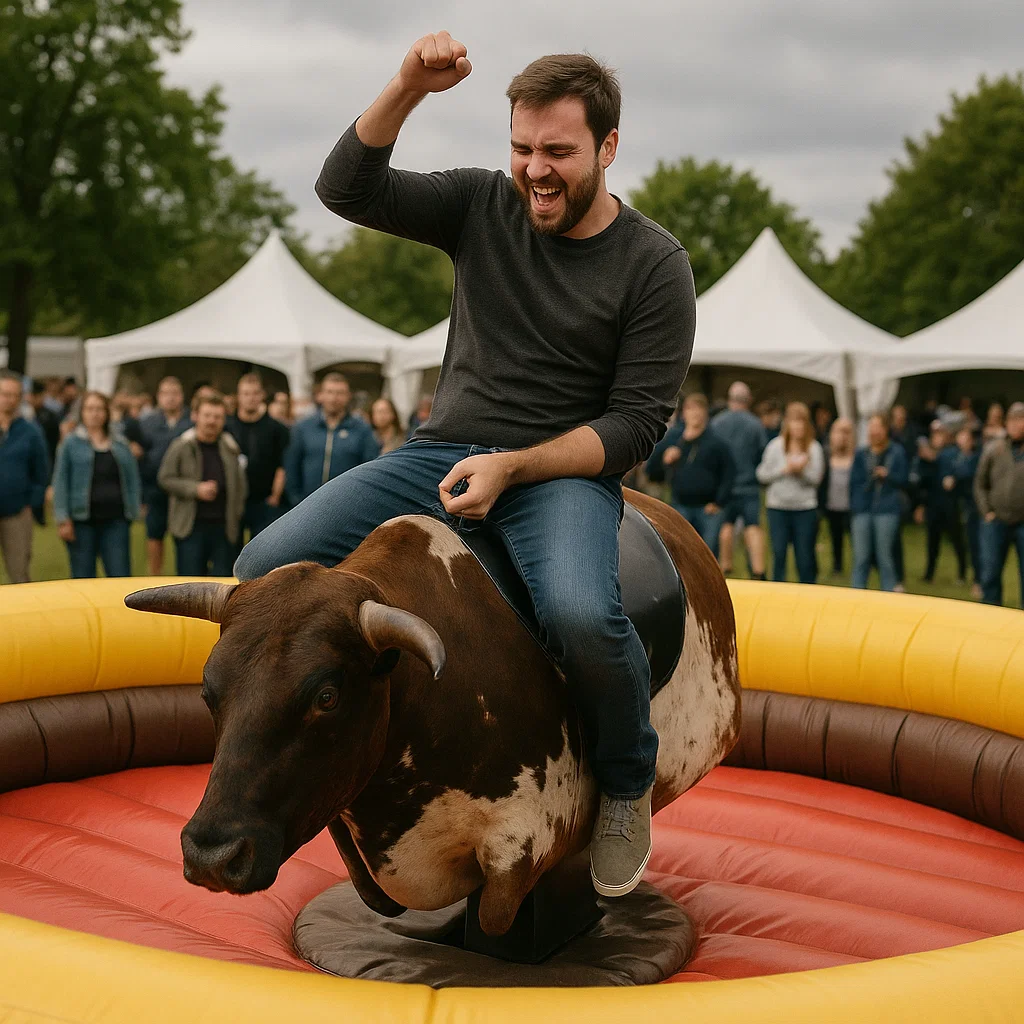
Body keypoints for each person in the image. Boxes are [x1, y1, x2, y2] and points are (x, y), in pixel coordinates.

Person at [235, 35, 697, 898]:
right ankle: (344, 762)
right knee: (262, 572)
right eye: (521, 148)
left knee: (580, 616)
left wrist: (515, 468)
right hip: (437, 452)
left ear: (608, 147)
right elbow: (346, 188)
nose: (535, 170)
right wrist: (408, 84)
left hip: (560, 474)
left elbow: (635, 427)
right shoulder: (483, 204)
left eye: (557, 151)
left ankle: (627, 782)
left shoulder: (655, 264)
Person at [51, 391, 141, 579]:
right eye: (90, 409)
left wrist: (133, 510)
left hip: (116, 521)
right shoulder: (70, 444)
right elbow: (60, 481)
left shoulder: (120, 444)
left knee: (120, 576)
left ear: (107, 413)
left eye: (99, 409)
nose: (95, 414)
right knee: (83, 578)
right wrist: (62, 518)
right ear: (82, 412)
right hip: (82, 521)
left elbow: (132, 480)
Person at [158, 393, 247, 577]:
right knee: (190, 588)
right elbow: (165, 478)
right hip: (191, 529)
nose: (212, 421)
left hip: (224, 529)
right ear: (195, 416)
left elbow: (240, 485)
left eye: (217, 417)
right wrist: (195, 489)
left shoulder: (230, 447)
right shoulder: (181, 445)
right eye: (207, 415)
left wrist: (237, 514)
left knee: (223, 588)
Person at [645, 393, 734, 559]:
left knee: (707, 556)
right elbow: (652, 470)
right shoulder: (673, 438)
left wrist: (719, 502)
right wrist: (665, 458)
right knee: (680, 554)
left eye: (699, 409)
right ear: (684, 413)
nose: (695, 414)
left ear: (706, 413)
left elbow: (729, 474)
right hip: (680, 506)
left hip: (708, 509)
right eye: (690, 409)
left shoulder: (717, 442)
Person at [283, 373, 380, 506]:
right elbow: (292, 465)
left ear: (348, 396)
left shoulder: (362, 430)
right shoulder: (303, 427)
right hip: (307, 505)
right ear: (321, 395)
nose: (334, 398)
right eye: (329, 392)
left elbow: (370, 468)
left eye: (340, 393)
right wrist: (296, 499)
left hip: (346, 506)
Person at [755, 401, 824, 584]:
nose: (798, 426)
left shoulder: (814, 448)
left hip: (804, 509)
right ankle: (778, 590)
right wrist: (784, 470)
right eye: (794, 421)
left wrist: (801, 471)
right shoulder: (775, 446)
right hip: (778, 508)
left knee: (805, 556)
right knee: (779, 553)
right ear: (787, 423)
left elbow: (816, 479)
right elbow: (762, 475)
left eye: (801, 421)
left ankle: (808, 590)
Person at [225, 373, 289, 547]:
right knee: (231, 554)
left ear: (262, 396)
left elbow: (282, 465)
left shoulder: (277, 429)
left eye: (254, 393)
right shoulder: (226, 427)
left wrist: (274, 497)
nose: (250, 398)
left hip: (264, 501)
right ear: (238, 396)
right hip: (233, 500)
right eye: (246, 394)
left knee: (261, 557)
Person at [712, 381, 768, 580]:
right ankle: (758, 571)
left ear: (729, 399)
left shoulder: (717, 422)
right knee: (752, 526)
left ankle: (725, 568)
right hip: (749, 484)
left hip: (725, 486)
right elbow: (763, 453)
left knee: (726, 526)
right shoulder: (755, 424)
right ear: (749, 400)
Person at [137, 377, 192, 575]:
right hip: (155, 491)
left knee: (184, 539)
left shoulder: (191, 421)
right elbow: (139, 460)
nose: (170, 398)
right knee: (154, 537)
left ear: (181, 396)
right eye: (165, 393)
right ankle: (155, 578)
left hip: (184, 493)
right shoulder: (147, 423)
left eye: (174, 393)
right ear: (158, 397)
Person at [0, 370, 50, 583]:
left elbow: (42, 472)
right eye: (4, 393)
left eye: (14, 394)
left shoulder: (30, 431)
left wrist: (31, 503)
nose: (9, 399)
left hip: (17, 512)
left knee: (19, 573)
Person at [850, 413, 908, 592]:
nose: (874, 431)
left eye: (878, 427)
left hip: (887, 509)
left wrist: (888, 475)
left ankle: (888, 594)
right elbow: (854, 483)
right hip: (863, 509)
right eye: (871, 427)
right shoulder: (861, 453)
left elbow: (904, 479)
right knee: (861, 556)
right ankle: (857, 595)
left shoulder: (897, 452)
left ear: (885, 429)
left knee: (885, 555)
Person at [974, 402, 1024, 608]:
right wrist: (986, 511)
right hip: (996, 520)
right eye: (1013, 420)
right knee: (990, 573)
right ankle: (990, 621)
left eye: (1021, 420)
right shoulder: (994, 448)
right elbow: (980, 482)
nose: (1017, 425)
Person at [911, 421, 966, 584]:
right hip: (933, 504)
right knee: (932, 541)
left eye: (940, 433)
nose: (937, 437)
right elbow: (921, 482)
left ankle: (962, 573)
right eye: (935, 433)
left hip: (950, 503)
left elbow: (958, 472)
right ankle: (929, 574)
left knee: (956, 540)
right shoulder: (925, 455)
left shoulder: (952, 452)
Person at [820, 417, 855, 576]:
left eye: (846, 432)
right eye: (838, 431)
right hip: (832, 505)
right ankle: (837, 565)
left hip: (852, 506)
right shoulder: (825, 455)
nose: (842, 436)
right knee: (835, 537)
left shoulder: (857, 457)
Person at [953, 427, 982, 599]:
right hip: (960, 506)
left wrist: (954, 477)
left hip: (975, 507)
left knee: (976, 545)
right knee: (966, 545)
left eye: (965, 437)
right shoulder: (957, 456)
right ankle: (966, 575)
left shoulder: (975, 458)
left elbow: (967, 474)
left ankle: (979, 580)